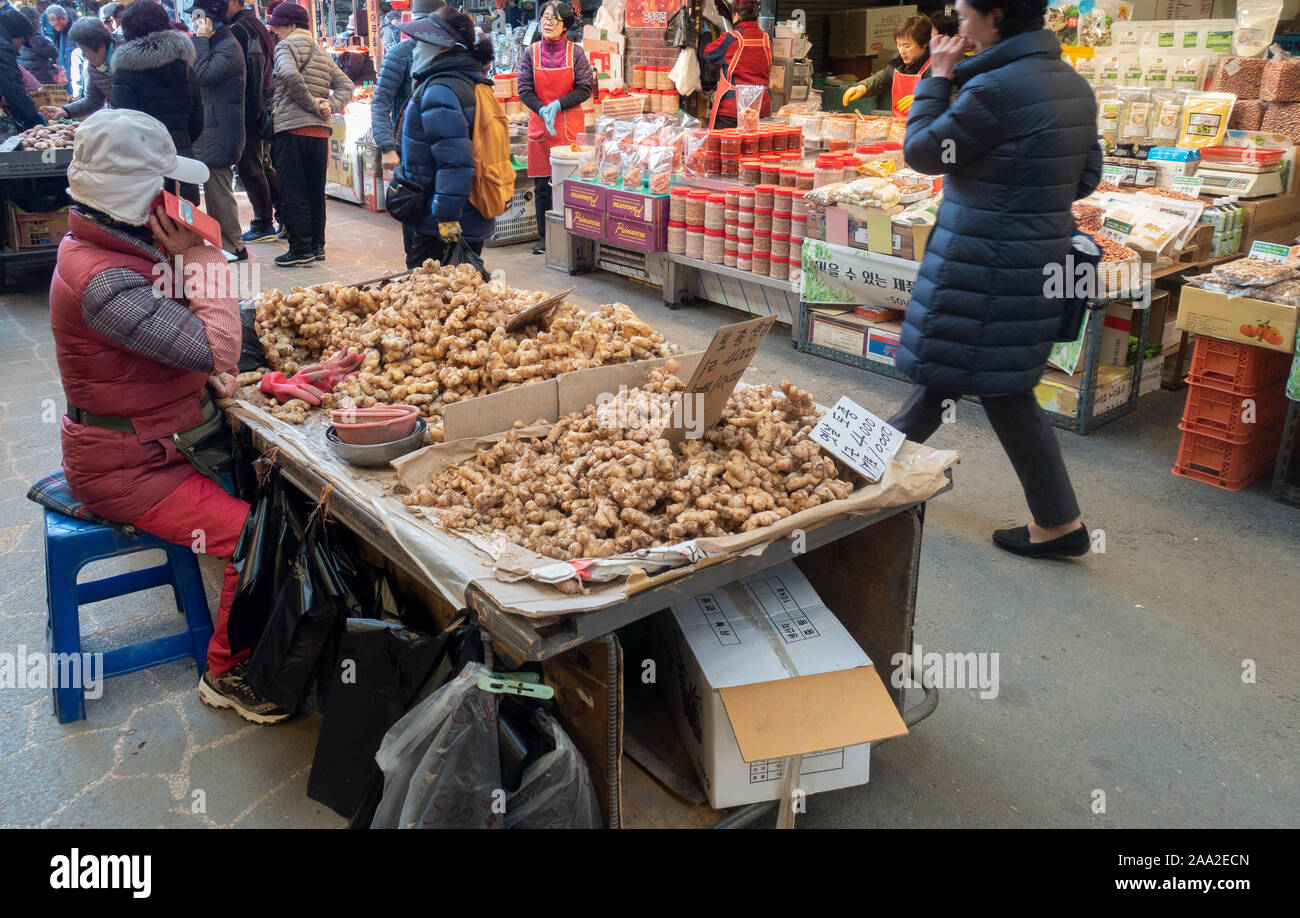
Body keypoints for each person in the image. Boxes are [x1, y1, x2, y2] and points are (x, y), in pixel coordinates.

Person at [49, 108, 291, 724]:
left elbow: (196, 346)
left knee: (274, 487)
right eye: (164, 186)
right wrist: (206, 260)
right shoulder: (103, 280)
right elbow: (214, 350)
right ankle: (227, 673)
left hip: (161, 438)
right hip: (127, 468)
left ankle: (251, 617)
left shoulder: (119, 245)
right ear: (138, 198)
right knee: (253, 534)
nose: (177, 196)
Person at [889, 0, 1100, 559]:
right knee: (992, 384)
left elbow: (923, 153)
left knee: (962, 376)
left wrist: (935, 79)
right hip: (1037, 260)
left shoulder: (994, 90)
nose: (956, 26)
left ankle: (854, 475)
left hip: (982, 266)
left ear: (997, 14)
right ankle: (1059, 523)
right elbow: (1086, 177)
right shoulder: (1073, 86)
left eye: (962, 13)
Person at [394, 5, 495, 268]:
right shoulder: (467, 80)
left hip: (440, 218)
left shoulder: (441, 89)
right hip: (461, 212)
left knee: (429, 297)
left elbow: (455, 162)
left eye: (422, 43)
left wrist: (446, 217)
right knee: (461, 295)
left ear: (442, 48)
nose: (416, 49)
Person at [267, 2, 354, 266]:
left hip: (292, 129)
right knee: (315, 190)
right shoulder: (321, 51)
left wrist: (311, 103)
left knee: (294, 190)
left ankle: (300, 248)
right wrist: (331, 105)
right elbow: (346, 85)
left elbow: (287, 73)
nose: (276, 32)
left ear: (292, 26)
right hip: (318, 132)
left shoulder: (286, 47)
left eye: (278, 26)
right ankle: (317, 245)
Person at [517, 0, 592, 255]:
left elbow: (585, 88)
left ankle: (575, 234)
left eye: (554, 19)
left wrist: (558, 104)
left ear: (565, 26)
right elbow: (524, 89)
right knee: (542, 186)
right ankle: (544, 237)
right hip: (541, 126)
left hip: (568, 125)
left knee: (570, 183)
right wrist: (542, 108)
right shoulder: (531, 52)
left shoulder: (576, 53)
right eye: (545, 18)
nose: (548, 23)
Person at [112, 0, 203, 203]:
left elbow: (121, 127)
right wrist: (179, 142)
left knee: (148, 230)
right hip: (182, 165)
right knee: (183, 228)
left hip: (142, 171)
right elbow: (197, 124)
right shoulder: (187, 68)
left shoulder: (126, 72)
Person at [372, 0, 445, 254]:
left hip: (446, 154)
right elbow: (380, 103)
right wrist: (386, 146)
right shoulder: (399, 55)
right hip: (410, 155)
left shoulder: (450, 52)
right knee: (417, 227)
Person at [189, 0, 247, 259]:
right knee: (213, 188)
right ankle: (224, 244)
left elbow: (203, 74)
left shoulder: (228, 46)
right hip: (211, 125)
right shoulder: (215, 43)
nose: (194, 22)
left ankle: (233, 246)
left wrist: (200, 40)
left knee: (219, 188)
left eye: (198, 17)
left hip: (221, 128)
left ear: (209, 19)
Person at [227, 0, 279, 244]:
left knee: (252, 167)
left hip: (252, 107)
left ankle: (263, 223)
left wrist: (250, 111)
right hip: (261, 104)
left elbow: (254, 71)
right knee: (263, 165)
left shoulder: (241, 28)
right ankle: (283, 218)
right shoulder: (254, 24)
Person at [842, 15, 933, 118]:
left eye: (907, 46)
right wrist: (863, 87)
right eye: (899, 45)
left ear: (924, 43)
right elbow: (883, 77)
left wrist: (924, 101)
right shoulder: (899, 60)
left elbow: (949, 100)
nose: (902, 51)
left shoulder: (936, 67)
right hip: (899, 126)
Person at [701, 0, 771, 130]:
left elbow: (707, 52)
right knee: (754, 148)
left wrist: (705, 33)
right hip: (761, 110)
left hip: (732, 111)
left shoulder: (731, 39)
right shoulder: (766, 39)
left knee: (728, 148)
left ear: (737, 15)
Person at [43, 17, 113, 120]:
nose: (85, 57)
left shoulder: (127, 61)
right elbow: (93, 100)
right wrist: (65, 110)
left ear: (101, 47)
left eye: (85, 51)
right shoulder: (94, 66)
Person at [0, 7, 45, 129]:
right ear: (17, 34)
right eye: (23, 42)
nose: (20, 48)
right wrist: (32, 118)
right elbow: (13, 87)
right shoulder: (3, 47)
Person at [18, 5, 59, 83]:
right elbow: (54, 52)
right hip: (40, 80)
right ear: (35, 21)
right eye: (38, 19)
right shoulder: (36, 39)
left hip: (25, 79)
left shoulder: (18, 37)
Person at [42, 3, 73, 76]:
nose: (51, 24)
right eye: (50, 21)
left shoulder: (74, 33)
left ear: (63, 18)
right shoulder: (56, 33)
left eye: (53, 20)